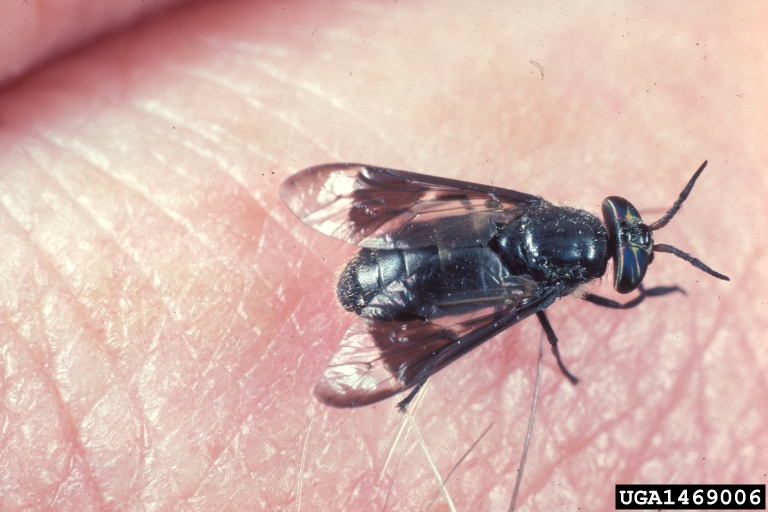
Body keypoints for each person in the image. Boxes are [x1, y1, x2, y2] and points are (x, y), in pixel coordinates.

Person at [0, 1, 761, 510]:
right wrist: (425, 355)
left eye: (635, 260)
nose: (631, 253)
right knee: (497, 313)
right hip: (407, 286)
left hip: (408, 249)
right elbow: (536, 314)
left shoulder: (528, 211)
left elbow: (418, 200)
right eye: (633, 261)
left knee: (467, 247)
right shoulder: (567, 281)